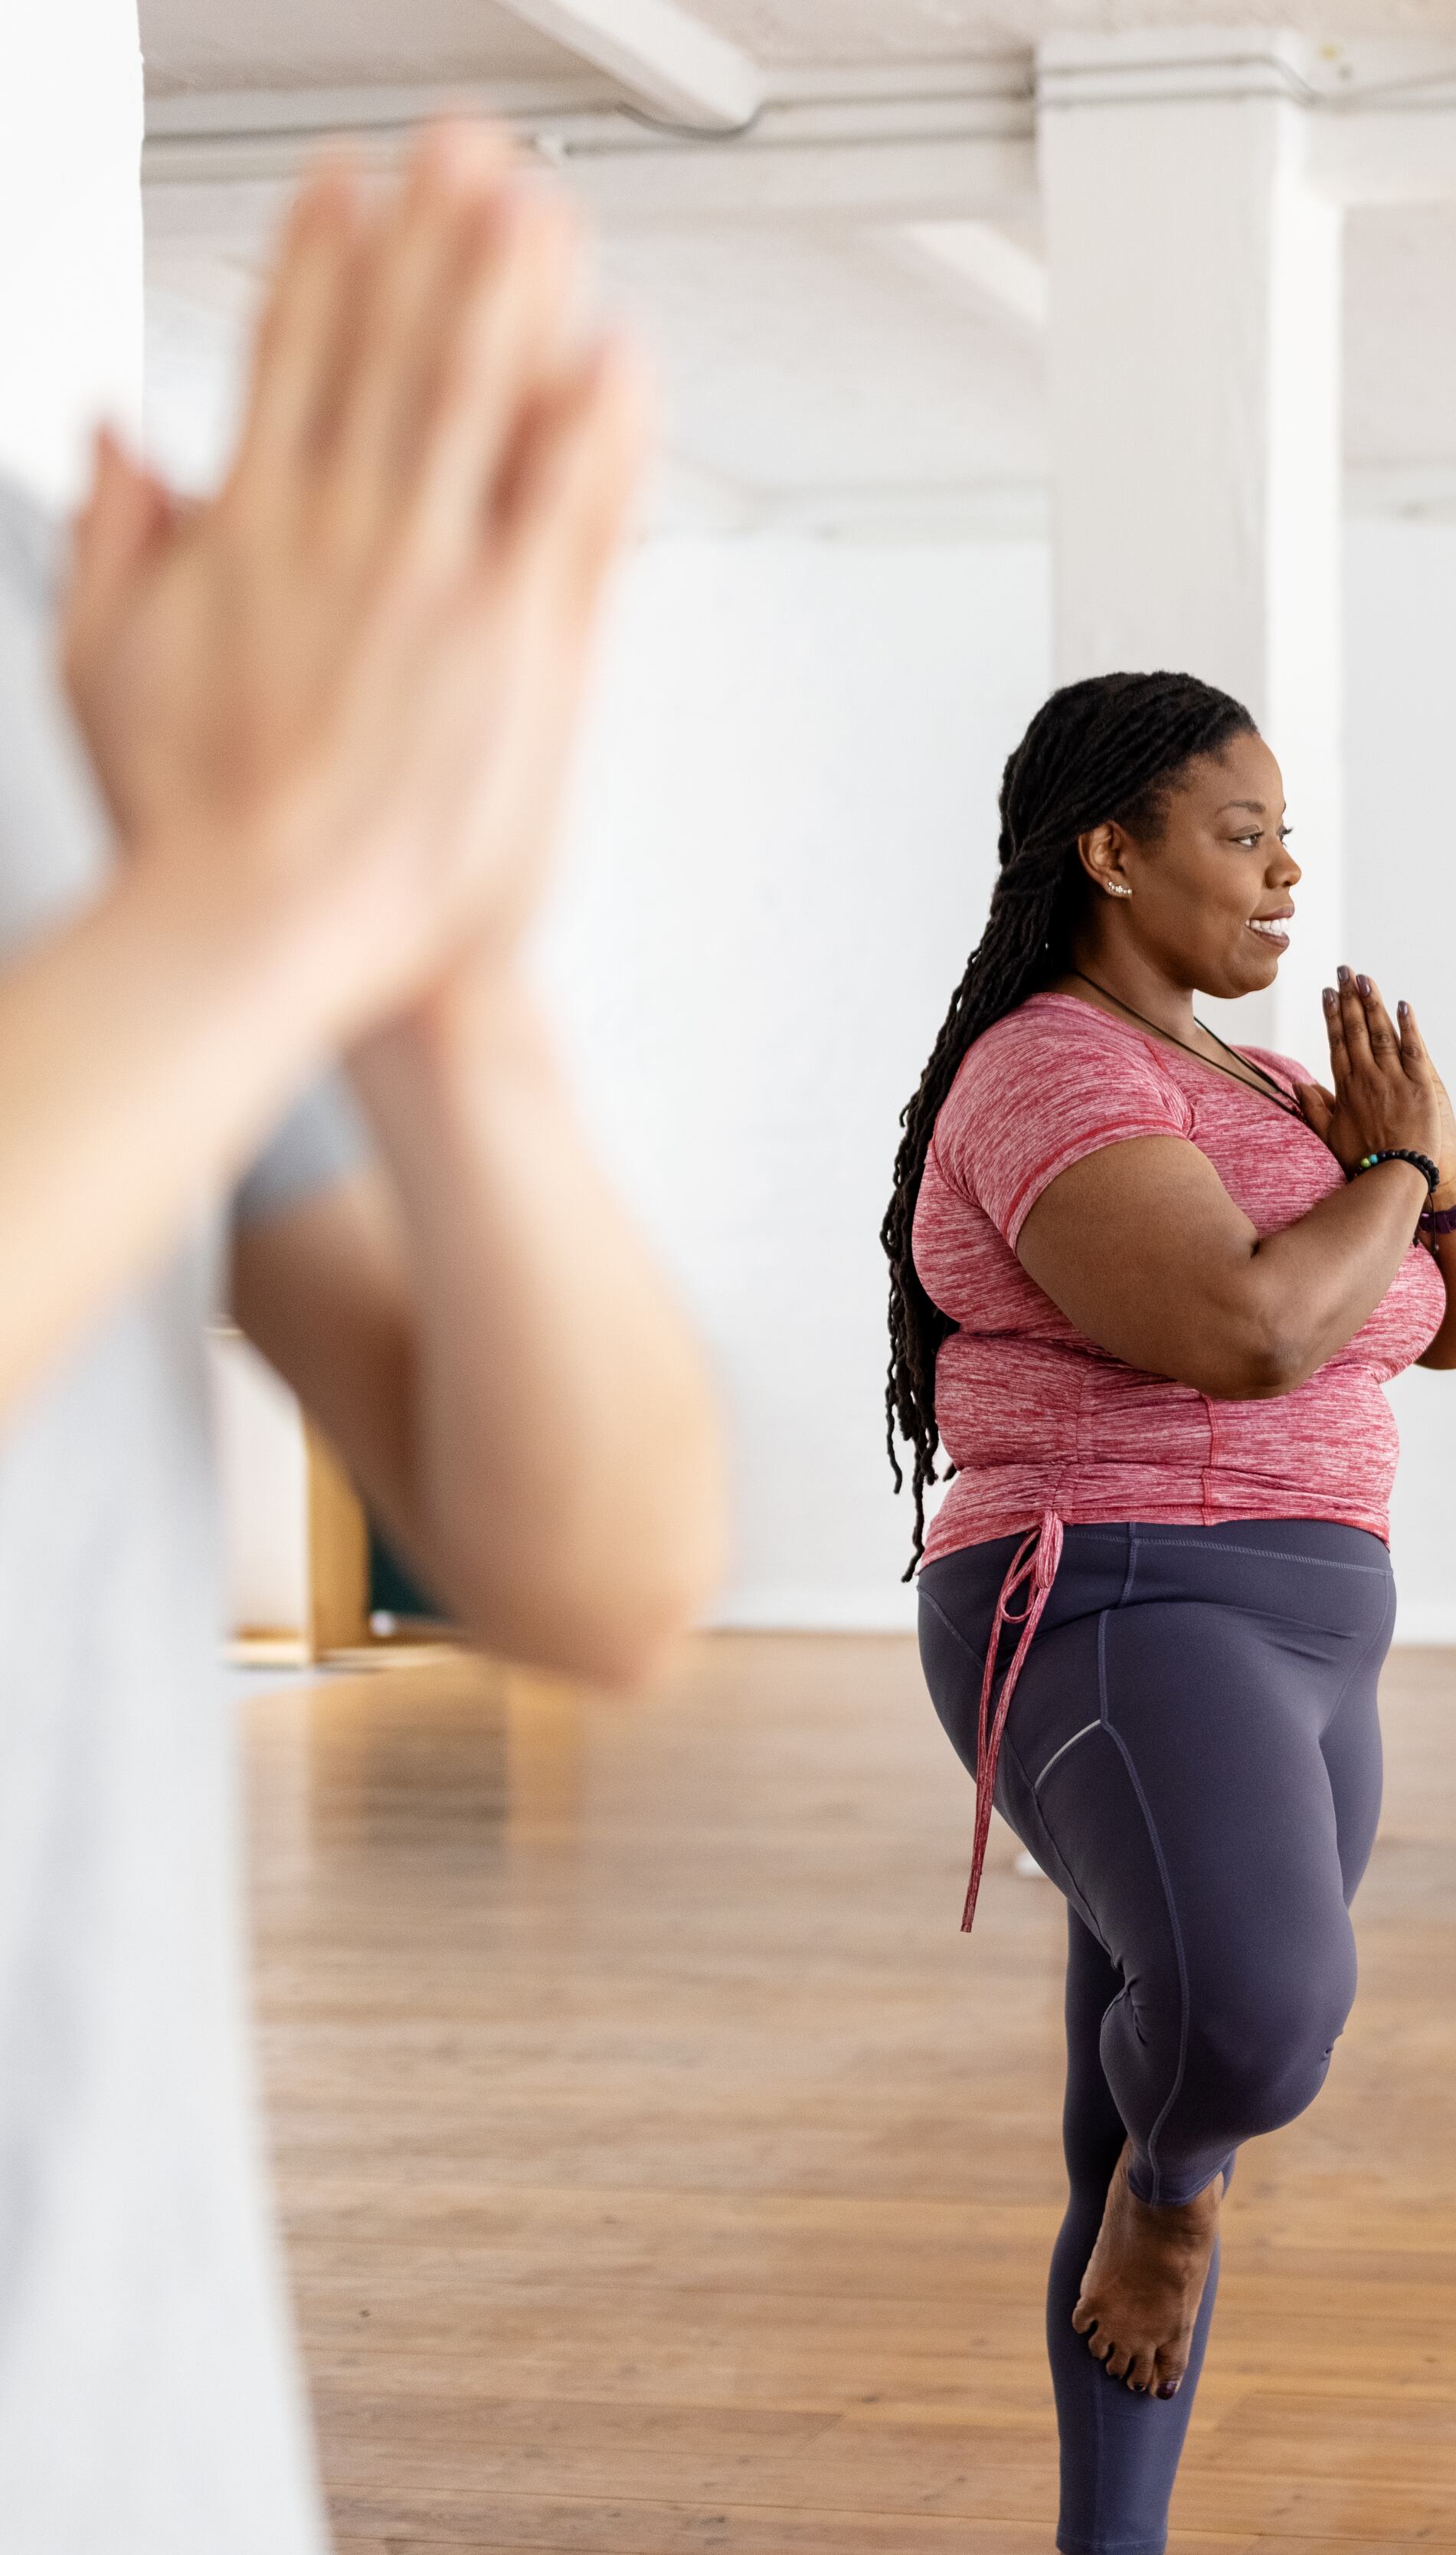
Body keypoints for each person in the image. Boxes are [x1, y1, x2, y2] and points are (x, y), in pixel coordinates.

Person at [0, 127, 723, 2547]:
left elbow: (603, 1561)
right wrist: (263, 900)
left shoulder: (48, 614)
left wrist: (440, 984)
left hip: (127, 2433)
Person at [886, 670, 1456, 2554]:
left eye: (1282, 833)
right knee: (1250, 2021)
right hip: (1111, 1592)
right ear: (1110, 851)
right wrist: (1398, 1172)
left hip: (1324, 1617)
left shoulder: (1270, 1087)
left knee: (1165, 2054)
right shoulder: (1050, 1069)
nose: (1284, 870)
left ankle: (1115, 2527)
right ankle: (1171, 2198)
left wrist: (1434, 1169)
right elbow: (1243, 1328)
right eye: (1241, 834)